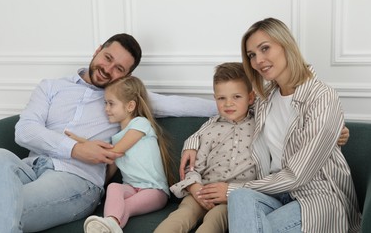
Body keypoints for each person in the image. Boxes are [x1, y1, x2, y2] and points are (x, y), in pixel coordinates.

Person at [0, 33, 217, 233]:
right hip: (29, 168)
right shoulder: (51, 87)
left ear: (125, 77)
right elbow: (24, 131)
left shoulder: (123, 100)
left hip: (76, 180)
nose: (108, 70)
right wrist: (75, 148)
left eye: (119, 69)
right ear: (97, 51)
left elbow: (180, 105)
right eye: (107, 58)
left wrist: (236, 104)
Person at [224, 18, 360, 232]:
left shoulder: (322, 97)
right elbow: (230, 106)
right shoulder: (265, 99)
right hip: (274, 194)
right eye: (252, 55)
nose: (258, 60)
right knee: (240, 198)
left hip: (316, 196)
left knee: (240, 201)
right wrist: (193, 142)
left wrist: (229, 188)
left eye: (265, 48)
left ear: (285, 44)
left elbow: (299, 175)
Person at [155, 62, 256, 233]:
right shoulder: (209, 129)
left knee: (214, 219)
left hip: (233, 197)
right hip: (202, 190)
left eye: (236, 97)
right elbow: (193, 165)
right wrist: (195, 188)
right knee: (182, 215)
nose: (228, 104)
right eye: (221, 98)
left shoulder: (260, 123)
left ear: (251, 98)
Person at [65, 76, 174, 233]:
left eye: (111, 103)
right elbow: (111, 166)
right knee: (114, 187)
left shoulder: (140, 124)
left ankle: (110, 223)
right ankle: (110, 225)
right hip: (131, 187)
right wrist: (99, 187)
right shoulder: (117, 137)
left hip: (154, 191)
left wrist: (78, 141)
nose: (106, 109)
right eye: (105, 103)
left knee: (125, 206)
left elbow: (114, 152)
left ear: (130, 106)